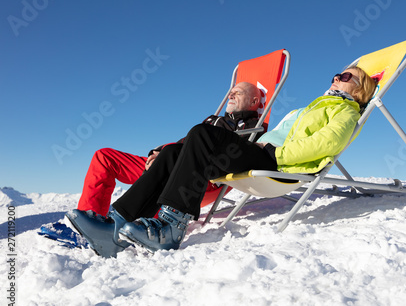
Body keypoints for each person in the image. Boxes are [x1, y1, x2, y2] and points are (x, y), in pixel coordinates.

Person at [66, 66, 377, 257]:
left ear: (360, 88)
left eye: (346, 76)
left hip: (274, 160)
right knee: (176, 152)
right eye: (337, 74)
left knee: (203, 134)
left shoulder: (346, 111)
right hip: (267, 154)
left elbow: (327, 143)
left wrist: (279, 156)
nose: (337, 77)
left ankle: (171, 226)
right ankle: (115, 225)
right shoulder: (320, 104)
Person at [77, 81, 264, 217]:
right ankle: (89, 218)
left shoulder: (252, 125)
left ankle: (129, 219)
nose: (230, 95)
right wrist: (158, 152)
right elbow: (183, 142)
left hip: (198, 178)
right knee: (104, 157)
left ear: (254, 100)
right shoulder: (212, 120)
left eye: (237, 93)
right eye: (230, 92)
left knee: (174, 158)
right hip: (171, 160)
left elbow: (234, 158)